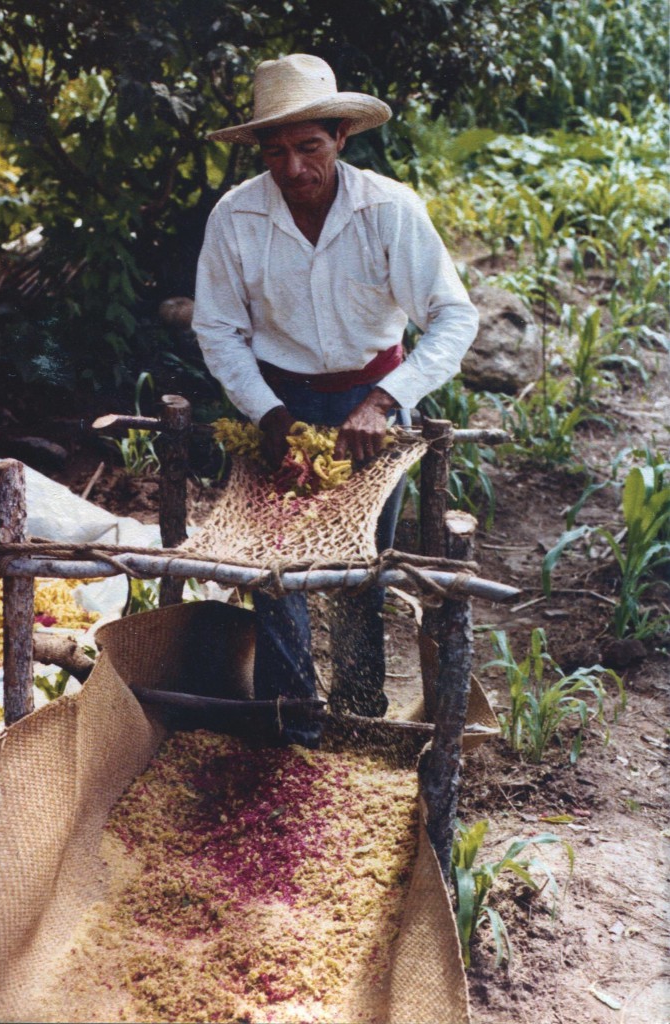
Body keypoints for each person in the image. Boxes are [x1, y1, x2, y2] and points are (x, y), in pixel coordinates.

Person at [193, 54, 478, 746]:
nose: (293, 168)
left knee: (359, 572)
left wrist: (384, 399)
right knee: (275, 571)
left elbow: (452, 315)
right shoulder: (236, 218)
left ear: (340, 138)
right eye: (276, 151)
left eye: (309, 147)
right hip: (276, 400)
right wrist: (269, 415)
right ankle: (288, 726)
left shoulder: (388, 210)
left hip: (368, 403)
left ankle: (357, 715)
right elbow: (218, 328)